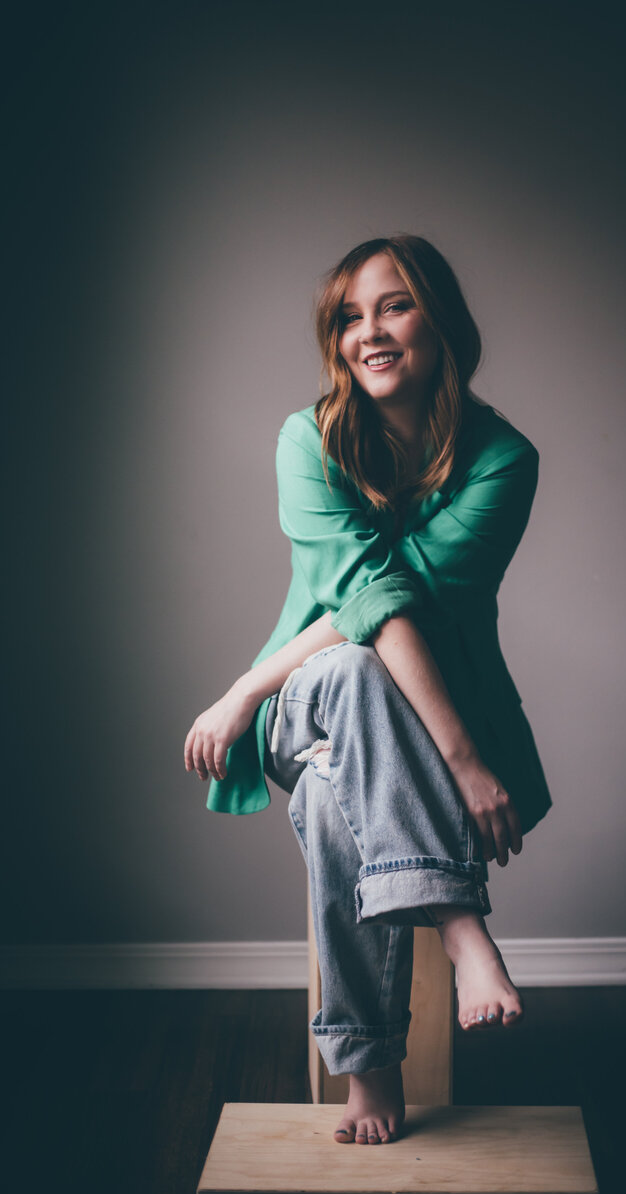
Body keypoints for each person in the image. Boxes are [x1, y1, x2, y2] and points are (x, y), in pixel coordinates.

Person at [184, 234, 552, 1146]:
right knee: (348, 666)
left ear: (441, 323)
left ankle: (369, 1068)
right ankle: (467, 929)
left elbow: (407, 602)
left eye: (394, 305)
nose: (370, 331)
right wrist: (248, 694)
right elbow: (367, 604)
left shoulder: (504, 460)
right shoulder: (307, 439)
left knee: (326, 793)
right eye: (351, 316)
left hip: (430, 719)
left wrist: (464, 751)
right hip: (303, 700)